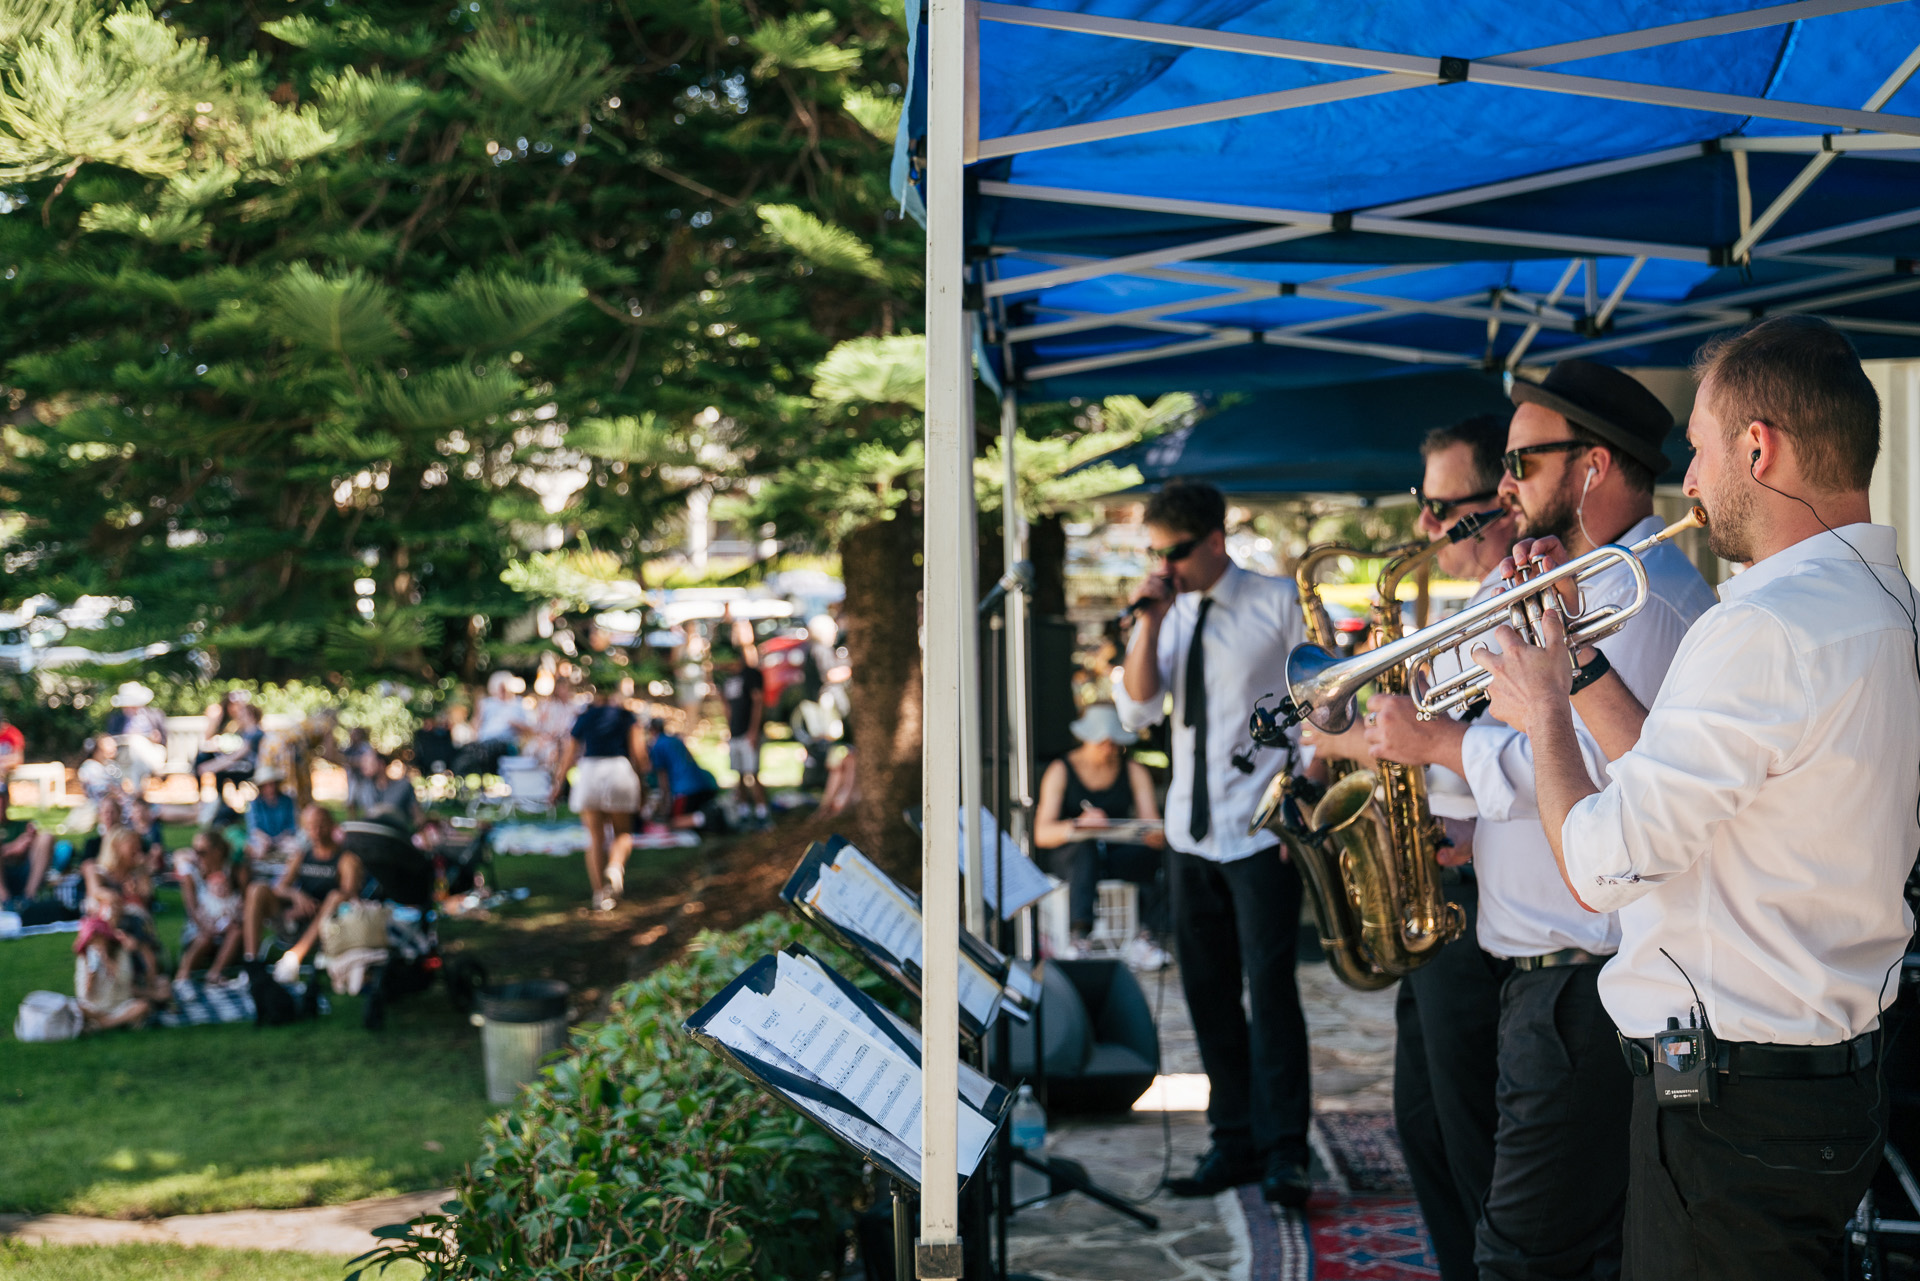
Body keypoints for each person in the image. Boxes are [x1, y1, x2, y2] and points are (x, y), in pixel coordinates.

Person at [1476, 316, 1920, 1280]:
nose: (1690, 475)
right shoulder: (1886, 605)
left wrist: (1544, 710)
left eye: (1701, 446)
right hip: (1817, 1087)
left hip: (1729, 1104)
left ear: (1756, 447)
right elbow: (1695, 792)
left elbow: (1601, 864)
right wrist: (1580, 660)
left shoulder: (1760, 624)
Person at [1362, 363, 1715, 1280]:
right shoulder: (1566, 575)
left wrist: (1436, 740)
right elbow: (1493, 748)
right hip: (1539, 978)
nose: (1506, 483)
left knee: (1528, 1257)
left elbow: (1585, 771)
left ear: (1593, 465)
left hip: (1584, 980)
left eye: (1522, 459)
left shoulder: (1642, 593)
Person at [1306, 415, 1517, 1281]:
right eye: (1422, 507)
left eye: (1440, 507)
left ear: (1495, 504)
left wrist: (1345, 734)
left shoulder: (1516, 600)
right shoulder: (1474, 601)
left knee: (1469, 1134)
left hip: (1475, 891)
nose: (1425, 528)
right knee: (1423, 1119)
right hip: (1434, 872)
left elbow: (1454, 744)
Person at [1112, 480, 1313, 1206]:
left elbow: (1320, 704)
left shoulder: (1277, 601)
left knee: (1272, 990)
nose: (1164, 566)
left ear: (1215, 541)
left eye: (1176, 552)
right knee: (1208, 995)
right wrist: (1148, 618)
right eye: (1154, 553)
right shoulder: (1166, 610)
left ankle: (1287, 1149)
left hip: (1260, 830)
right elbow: (1136, 709)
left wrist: (1302, 799)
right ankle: (1233, 1139)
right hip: (1191, 835)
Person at [1032, 702, 1167, 967]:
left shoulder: (1133, 770)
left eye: (1114, 742)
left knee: (1158, 856)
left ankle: (1146, 935)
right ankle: (1079, 936)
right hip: (1072, 858)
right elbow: (1042, 833)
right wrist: (1078, 826)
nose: (1109, 749)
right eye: (1102, 742)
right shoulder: (1060, 770)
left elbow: (1153, 825)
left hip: (1115, 854)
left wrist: (1152, 836)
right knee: (1086, 850)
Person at [549, 684, 649, 911]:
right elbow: (639, 754)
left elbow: (569, 753)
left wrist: (558, 784)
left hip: (589, 773)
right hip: (619, 771)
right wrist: (643, 782)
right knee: (623, 832)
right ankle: (615, 866)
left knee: (595, 838)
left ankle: (599, 895)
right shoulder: (626, 716)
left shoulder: (584, 717)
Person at [243, 804, 365, 981]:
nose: (316, 831)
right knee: (256, 889)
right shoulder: (302, 855)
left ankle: (293, 959)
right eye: (310, 826)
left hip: (330, 925)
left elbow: (350, 899)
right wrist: (297, 896)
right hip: (296, 918)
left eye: (320, 825)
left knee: (336, 896)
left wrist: (317, 908)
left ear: (332, 825)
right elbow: (280, 887)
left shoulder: (346, 860)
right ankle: (251, 962)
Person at [174, 829, 247, 986]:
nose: (197, 857)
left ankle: (215, 973)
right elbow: (192, 910)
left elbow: (246, 904)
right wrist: (207, 927)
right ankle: (182, 976)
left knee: (236, 931)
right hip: (200, 928)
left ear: (218, 851)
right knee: (205, 936)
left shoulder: (235, 871)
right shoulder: (191, 876)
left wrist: (232, 919)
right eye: (195, 851)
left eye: (202, 852)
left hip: (228, 926)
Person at [714, 646, 769, 827]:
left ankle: (762, 812)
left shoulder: (751, 675)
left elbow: (758, 702)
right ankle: (744, 811)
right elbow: (726, 705)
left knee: (753, 772)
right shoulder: (726, 679)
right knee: (738, 772)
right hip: (735, 731)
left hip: (748, 731)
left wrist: (753, 731)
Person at [73, 916, 155, 1031]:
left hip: (119, 1004)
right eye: (91, 940)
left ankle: (102, 1025)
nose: (95, 944)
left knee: (143, 1006)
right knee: (76, 1008)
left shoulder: (120, 953)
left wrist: (108, 962)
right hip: (95, 1007)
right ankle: (117, 1022)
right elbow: (83, 996)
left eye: (98, 939)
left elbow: (125, 981)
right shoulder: (84, 959)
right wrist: (90, 978)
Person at [644, 718, 719, 829]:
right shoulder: (676, 740)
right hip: (706, 783)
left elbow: (663, 778)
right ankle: (708, 815)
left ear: (652, 730)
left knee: (673, 823)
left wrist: (665, 806)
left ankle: (707, 818)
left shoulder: (657, 745)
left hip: (686, 790)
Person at [455, 672, 530, 776]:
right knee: (466, 752)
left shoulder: (519, 704)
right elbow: (476, 724)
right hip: (484, 742)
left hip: (506, 743)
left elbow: (530, 730)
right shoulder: (487, 703)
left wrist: (516, 724)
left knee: (486, 753)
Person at [105, 681, 168, 797]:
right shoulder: (117, 719)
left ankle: (135, 795)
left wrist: (154, 737)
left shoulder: (155, 715)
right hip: (124, 754)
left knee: (137, 745)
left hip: (152, 751)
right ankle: (139, 794)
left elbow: (163, 739)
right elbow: (111, 739)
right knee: (134, 745)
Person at [346, 750, 418, 824]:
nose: (363, 766)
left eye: (367, 762)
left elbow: (417, 817)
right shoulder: (363, 788)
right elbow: (353, 814)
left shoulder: (403, 786)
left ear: (381, 764)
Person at [244, 769, 301, 858]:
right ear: (261, 787)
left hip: (284, 838)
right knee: (257, 850)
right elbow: (253, 828)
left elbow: (292, 825)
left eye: (273, 784)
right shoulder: (254, 804)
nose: (271, 788)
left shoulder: (287, 801)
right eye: (266, 785)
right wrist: (265, 839)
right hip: (262, 840)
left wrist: (281, 838)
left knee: (295, 848)